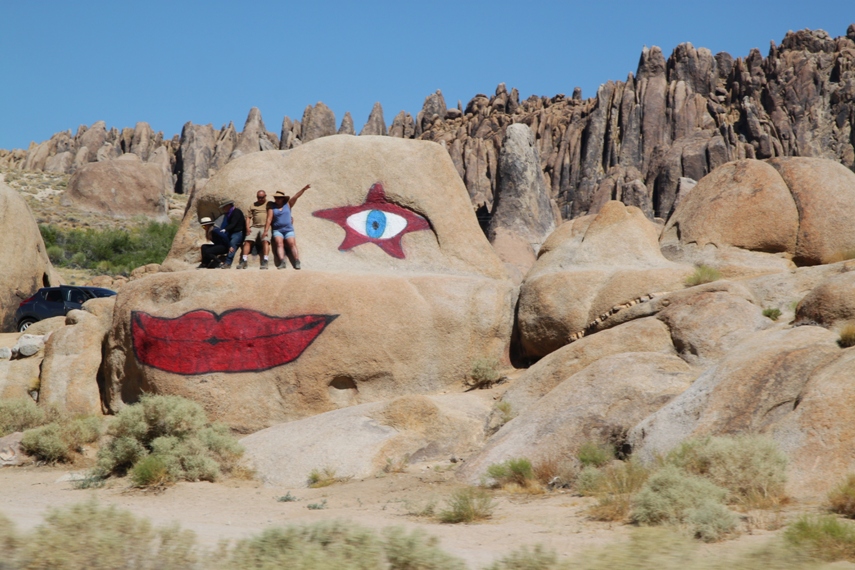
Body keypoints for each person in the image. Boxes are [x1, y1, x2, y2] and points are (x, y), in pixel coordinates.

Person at [264, 184, 311, 269]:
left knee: (292, 244)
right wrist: (266, 231)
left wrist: (303, 189)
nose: (277, 199)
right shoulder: (272, 206)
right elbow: (269, 219)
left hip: (288, 229)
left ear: (283, 198)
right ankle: (282, 262)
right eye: (276, 198)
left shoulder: (288, 204)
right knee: (279, 244)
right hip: (277, 230)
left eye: (279, 198)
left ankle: (297, 261)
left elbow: (296, 196)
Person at [238, 190, 272, 269]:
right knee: (247, 240)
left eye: (262, 197)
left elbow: (270, 218)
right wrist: (247, 228)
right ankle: (244, 260)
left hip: (265, 226)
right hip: (255, 226)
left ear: (265, 196)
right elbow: (248, 217)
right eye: (259, 197)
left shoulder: (269, 204)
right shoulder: (253, 205)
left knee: (265, 240)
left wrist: (266, 230)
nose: (260, 199)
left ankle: (265, 260)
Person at [216, 199, 246, 269]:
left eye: (224, 207)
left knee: (232, 244)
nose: (223, 208)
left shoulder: (236, 212)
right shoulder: (229, 213)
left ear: (229, 206)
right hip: (232, 232)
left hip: (238, 233)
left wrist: (225, 229)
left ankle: (228, 263)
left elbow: (233, 223)